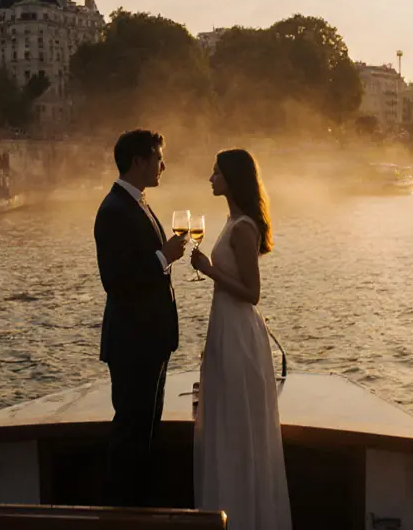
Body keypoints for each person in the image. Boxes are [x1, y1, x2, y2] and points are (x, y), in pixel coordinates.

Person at [190, 149, 292, 530]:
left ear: (232, 177)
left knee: (238, 425)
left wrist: (208, 270)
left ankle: (244, 516)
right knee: (225, 421)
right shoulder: (230, 221)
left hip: (239, 333)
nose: (210, 178)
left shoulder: (244, 227)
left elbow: (252, 293)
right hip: (224, 329)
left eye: (216, 172)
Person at [93, 129, 188, 507]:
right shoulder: (114, 210)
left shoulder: (138, 203)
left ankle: (139, 510)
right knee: (131, 436)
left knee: (146, 434)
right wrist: (164, 257)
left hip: (151, 342)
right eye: (158, 158)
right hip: (134, 344)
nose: (163, 165)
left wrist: (165, 257)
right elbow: (115, 280)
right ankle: (122, 514)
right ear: (139, 161)